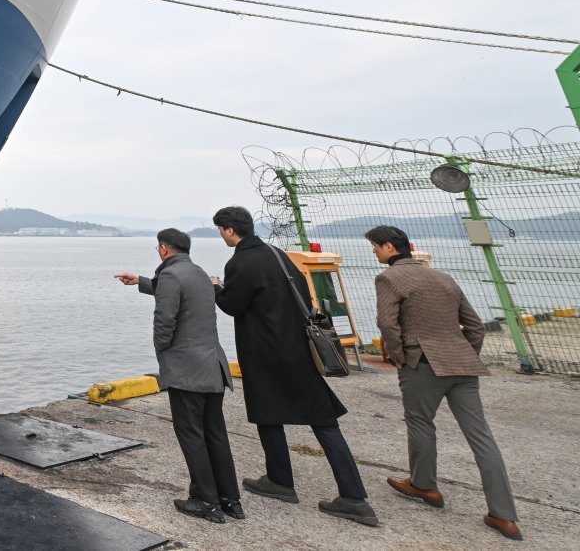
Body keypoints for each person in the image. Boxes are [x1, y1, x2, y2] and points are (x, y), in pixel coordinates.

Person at [209, 206, 378, 526]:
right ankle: (349, 495)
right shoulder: (277, 254)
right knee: (323, 421)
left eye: (221, 230)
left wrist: (217, 287)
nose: (222, 235)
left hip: (263, 352)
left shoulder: (240, 262)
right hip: (297, 349)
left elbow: (232, 305)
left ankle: (284, 481)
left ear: (230, 230)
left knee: (266, 412)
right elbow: (301, 291)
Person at [367, 224, 522, 541]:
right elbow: (475, 326)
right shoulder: (444, 278)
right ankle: (504, 516)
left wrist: (398, 357)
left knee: (421, 423)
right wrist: (463, 354)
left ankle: (425, 486)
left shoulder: (389, 278)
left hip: (422, 363)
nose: (374, 252)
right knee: (481, 437)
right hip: (462, 364)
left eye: (375, 247)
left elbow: (386, 322)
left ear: (390, 248)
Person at [116, 228, 241, 523]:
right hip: (213, 367)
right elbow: (175, 288)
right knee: (215, 434)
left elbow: (164, 322)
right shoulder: (199, 273)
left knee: (191, 434)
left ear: (163, 249)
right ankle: (230, 500)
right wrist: (141, 281)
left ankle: (206, 502)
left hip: (187, 371)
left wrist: (164, 356)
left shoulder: (171, 276)